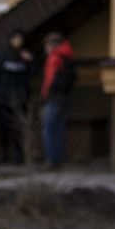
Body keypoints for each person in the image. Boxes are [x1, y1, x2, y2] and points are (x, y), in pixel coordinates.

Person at [0, 29, 35, 165]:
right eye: (16, 39)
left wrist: (31, 61)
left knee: (19, 129)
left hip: (21, 98)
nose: (18, 42)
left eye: (20, 39)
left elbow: (34, 73)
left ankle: (19, 156)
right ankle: (4, 155)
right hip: (3, 97)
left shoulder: (25, 56)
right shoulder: (2, 55)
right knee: (3, 128)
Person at [40, 31, 76, 170]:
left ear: (52, 45)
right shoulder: (67, 56)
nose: (45, 48)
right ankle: (58, 159)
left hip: (54, 97)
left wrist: (47, 93)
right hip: (63, 97)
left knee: (48, 129)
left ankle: (51, 160)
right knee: (59, 128)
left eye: (46, 45)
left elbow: (50, 79)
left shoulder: (55, 58)